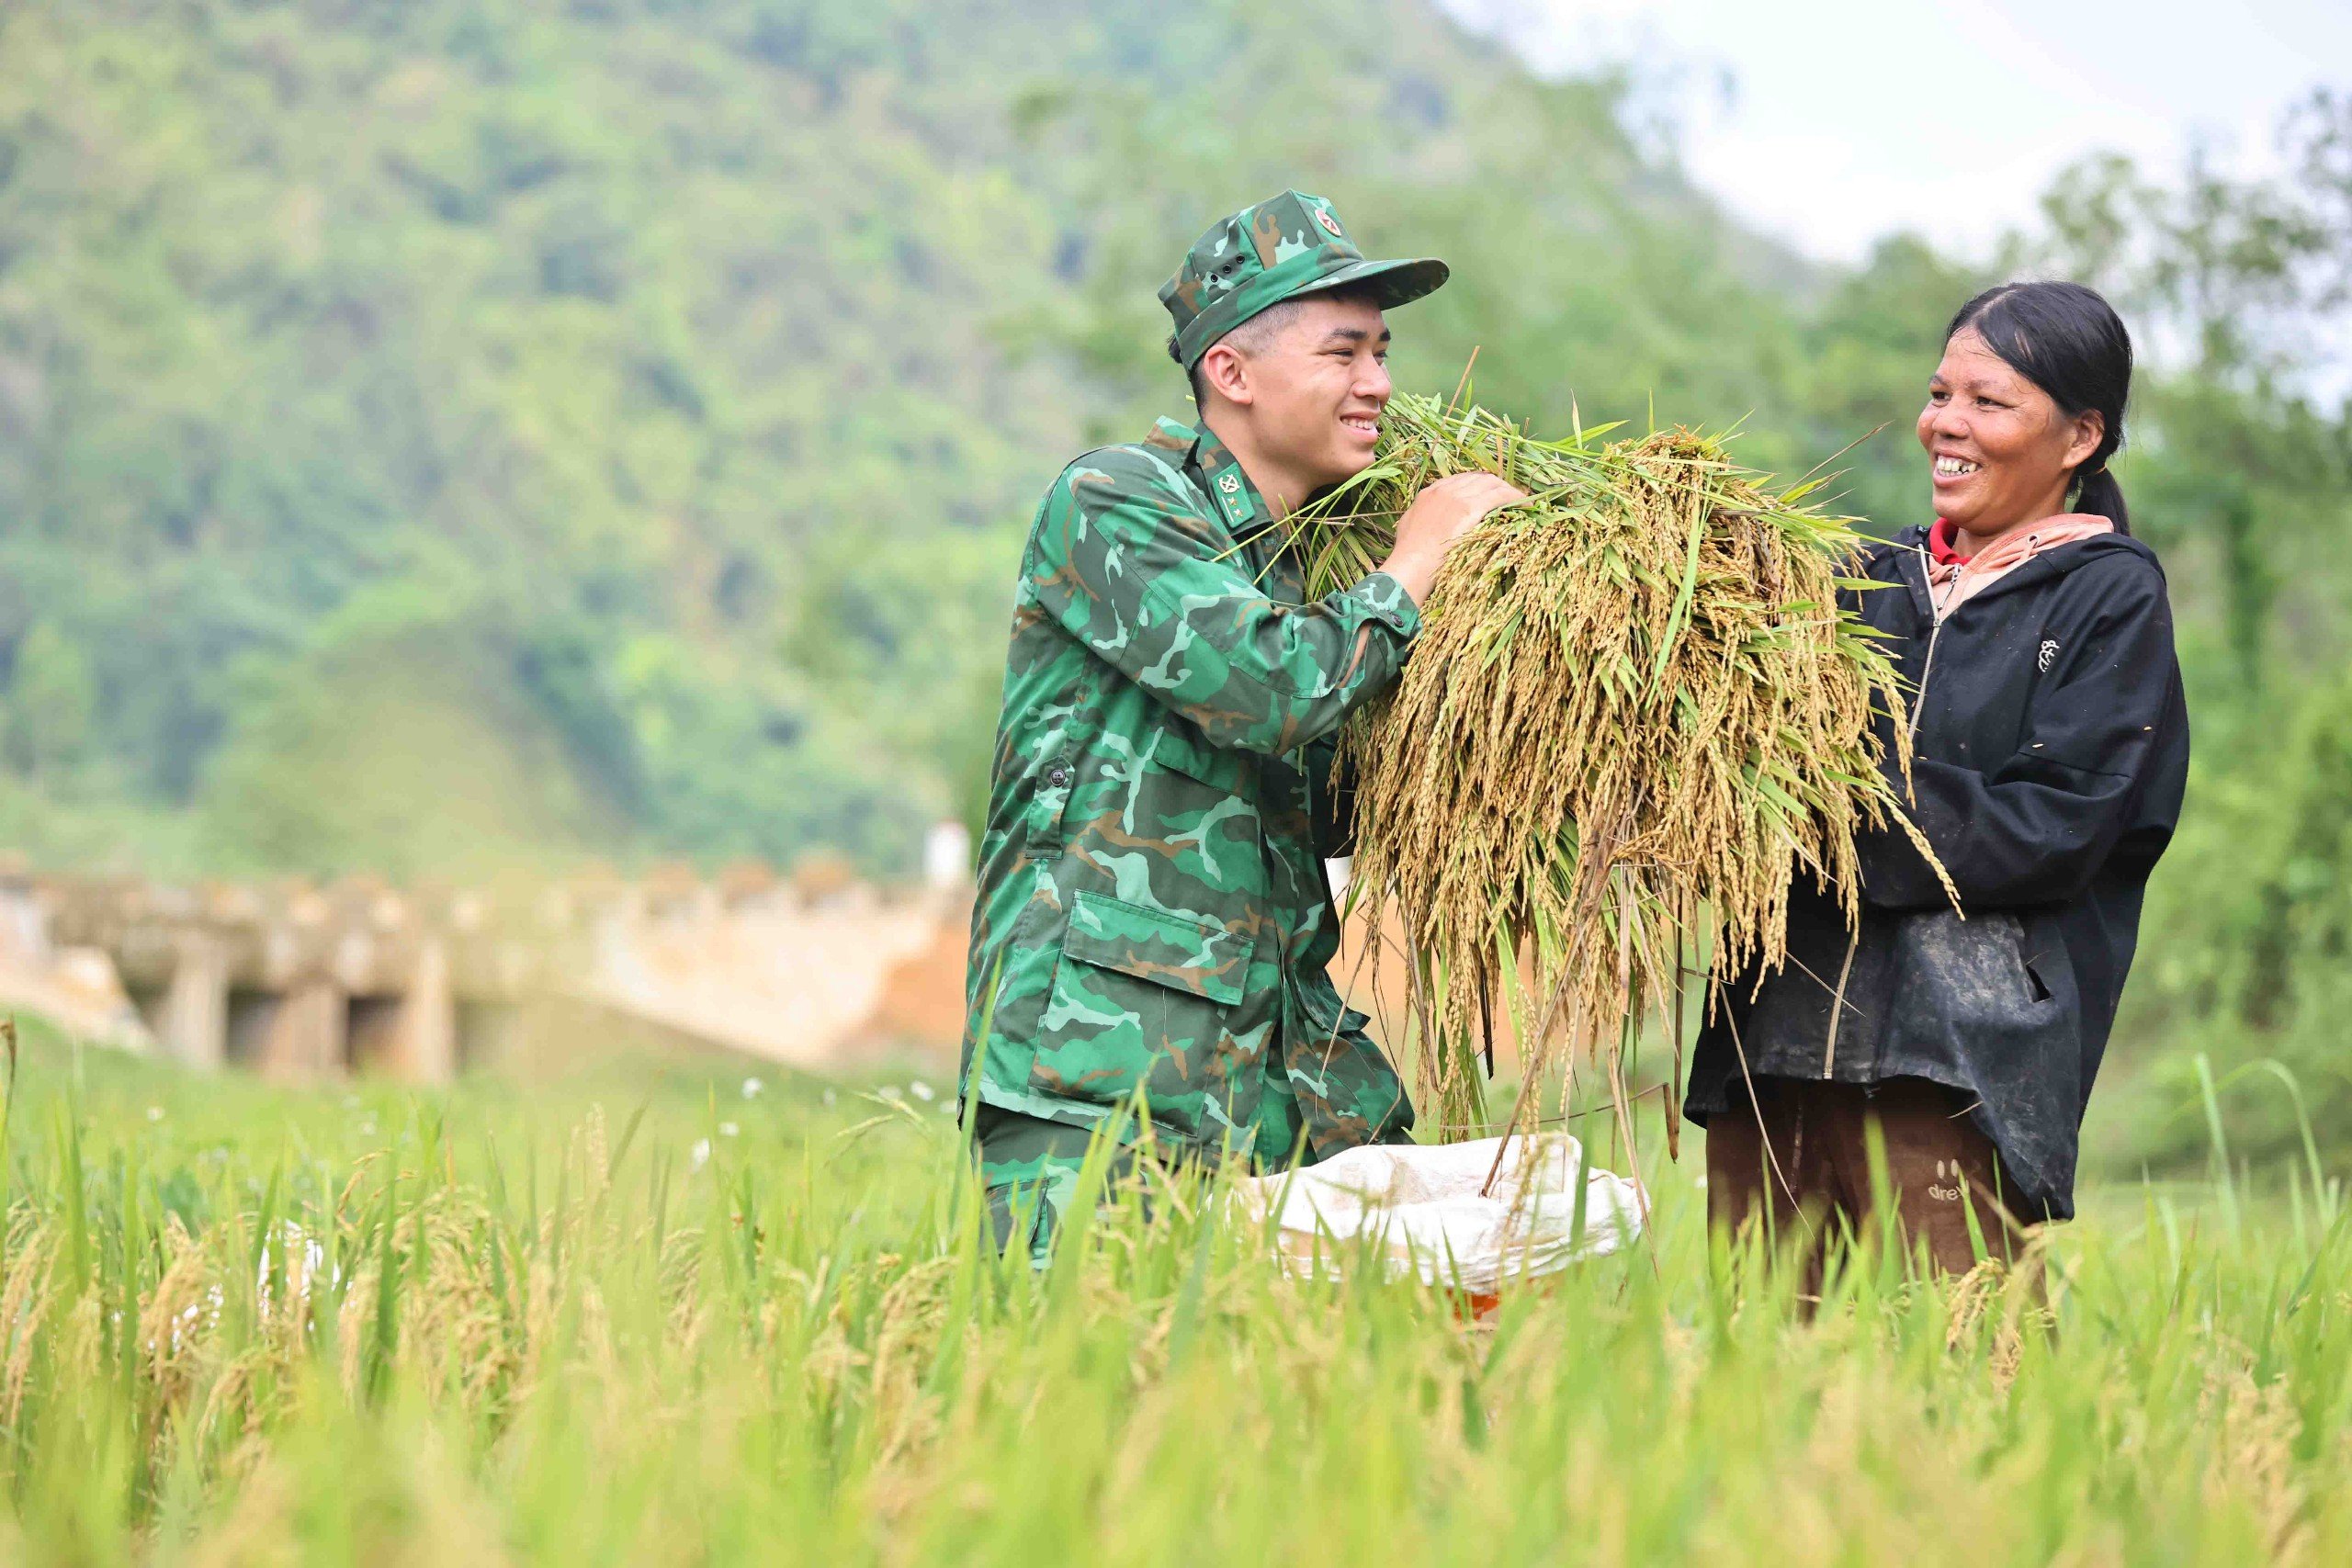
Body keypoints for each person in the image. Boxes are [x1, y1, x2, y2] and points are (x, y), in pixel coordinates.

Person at [959, 190, 1525, 1263]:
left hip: (1275, 1092)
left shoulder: (1302, 568)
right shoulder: (1115, 503)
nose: (1380, 386)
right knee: (1078, 1406)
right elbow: (1269, 687)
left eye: (1383, 353)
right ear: (1231, 372)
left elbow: (1330, 804)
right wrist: (1424, 555)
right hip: (1104, 1091)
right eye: (1344, 354)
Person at [1684, 280, 2191, 1288]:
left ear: (2080, 436)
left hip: (1958, 1060)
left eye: (1987, 403)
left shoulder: (2109, 596)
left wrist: (1836, 819)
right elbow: (1736, 764)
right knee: (1759, 1376)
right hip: (1776, 1036)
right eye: (1938, 393)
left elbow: (2059, 826)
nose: (1943, 425)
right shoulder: (1856, 583)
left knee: (1970, 1380)